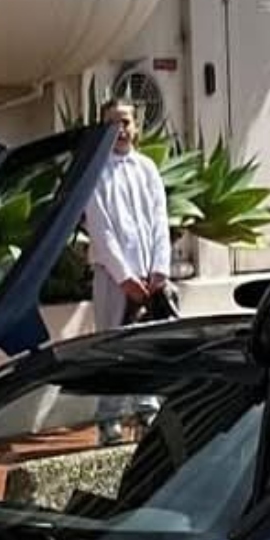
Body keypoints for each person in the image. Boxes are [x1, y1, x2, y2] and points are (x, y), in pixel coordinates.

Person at [82, 99, 172, 446]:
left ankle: (146, 407)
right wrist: (124, 276)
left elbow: (160, 220)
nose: (121, 129)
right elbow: (101, 229)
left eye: (126, 121)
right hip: (113, 276)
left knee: (147, 343)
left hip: (150, 276)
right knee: (112, 345)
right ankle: (109, 417)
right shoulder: (96, 171)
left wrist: (158, 270)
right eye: (113, 123)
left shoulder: (147, 168)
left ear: (136, 126)